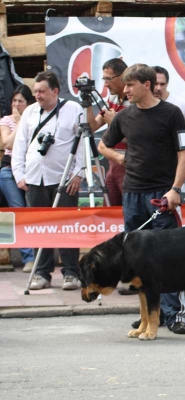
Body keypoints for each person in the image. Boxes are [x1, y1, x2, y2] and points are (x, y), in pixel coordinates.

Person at [99, 64, 185, 334]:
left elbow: (184, 154)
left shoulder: (172, 113)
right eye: (124, 85)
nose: (124, 90)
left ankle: (176, 314)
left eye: (130, 85)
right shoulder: (124, 117)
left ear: (147, 85)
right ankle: (152, 316)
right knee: (138, 260)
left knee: (169, 257)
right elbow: (103, 145)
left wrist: (175, 189)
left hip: (162, 195)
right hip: (132, 196)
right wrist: (120, 157)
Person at [11, 71, 84, 290]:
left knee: (67, 226)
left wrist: (78, 173)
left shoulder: (73, 109)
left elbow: (81, 143)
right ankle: (42, 273)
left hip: (63, 178)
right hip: (35, 178)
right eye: (35, 91)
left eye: (42, 91)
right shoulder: (31, 112)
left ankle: (71, 273)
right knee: (39, 227)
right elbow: (20, 144)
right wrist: (19, 174)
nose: (37, 96)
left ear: (55, 91)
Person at [0, 86, 36, 273]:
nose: (16, 105)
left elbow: (34, 143)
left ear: (28, 103)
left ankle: (40, 258)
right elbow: (7, 143)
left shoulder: (36, 117)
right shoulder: (7, 120)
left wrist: (23, 121)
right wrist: (19, 123)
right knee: (18, 211)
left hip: (31, 170)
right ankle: (28, 258)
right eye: (14, 101)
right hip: (9, 171)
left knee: (34, 210)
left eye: (20, 101)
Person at [86, 58, 129, 207]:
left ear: (123, 76)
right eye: (104, 79)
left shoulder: (136, 101)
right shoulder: (112, 98)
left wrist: (114, 123)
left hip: (128, 164)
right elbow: (93, 126)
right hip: (112, 163)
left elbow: (139, 138)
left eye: (108, 79)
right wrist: (87, 104)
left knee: (131, 210)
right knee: (110, 210)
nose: (105, 84)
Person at [152, 66, 185, 151]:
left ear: (167, 84)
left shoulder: (180, 104)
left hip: (172, 162)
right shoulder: (141, 105)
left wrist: (184, 153)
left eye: (162, 84)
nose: (158, 88)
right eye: (155, 83)